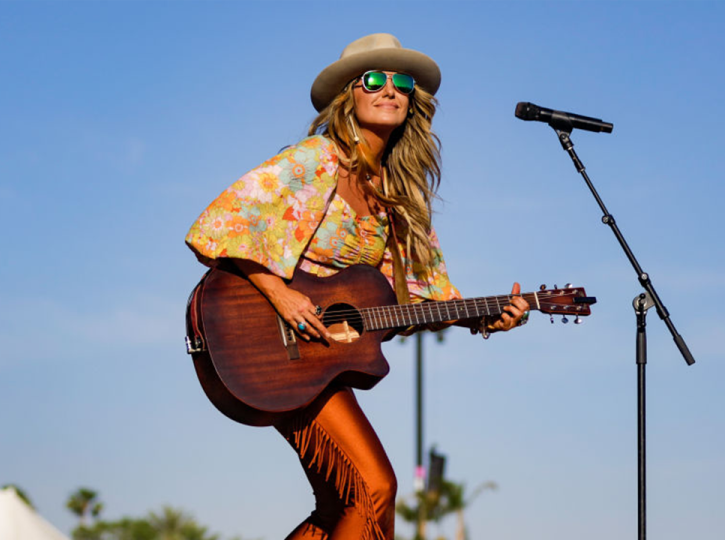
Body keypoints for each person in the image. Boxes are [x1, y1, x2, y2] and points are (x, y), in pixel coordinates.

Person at [185, 33, 530, 540]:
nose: (390, 89)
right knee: (374, 487)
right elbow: (218, 226)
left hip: (321, 362)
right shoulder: (314, 160)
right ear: (350, 93)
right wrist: (280, 293)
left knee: (339, 508)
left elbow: (426, 296)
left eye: (403, 83)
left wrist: (489, 317)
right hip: (269, 344)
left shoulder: (400, 196)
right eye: (374, 79)